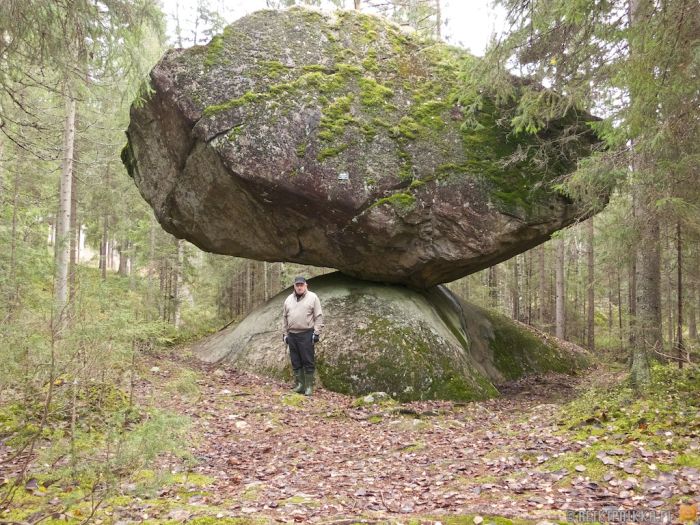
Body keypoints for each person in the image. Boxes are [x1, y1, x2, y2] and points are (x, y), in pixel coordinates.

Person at [282, 276, 323, 396]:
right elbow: (284, 317)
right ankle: (300, 385)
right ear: (294, 286)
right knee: (295, 361)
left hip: (306, 334)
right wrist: (285, 334)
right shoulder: (288, 299)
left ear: (306, 285)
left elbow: (318, 316)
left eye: (301, 285)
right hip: (292, 335)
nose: (299, 287)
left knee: (308, 361)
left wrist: (316, 333)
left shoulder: (313, 297)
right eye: (297, 285)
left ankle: (309, 387)